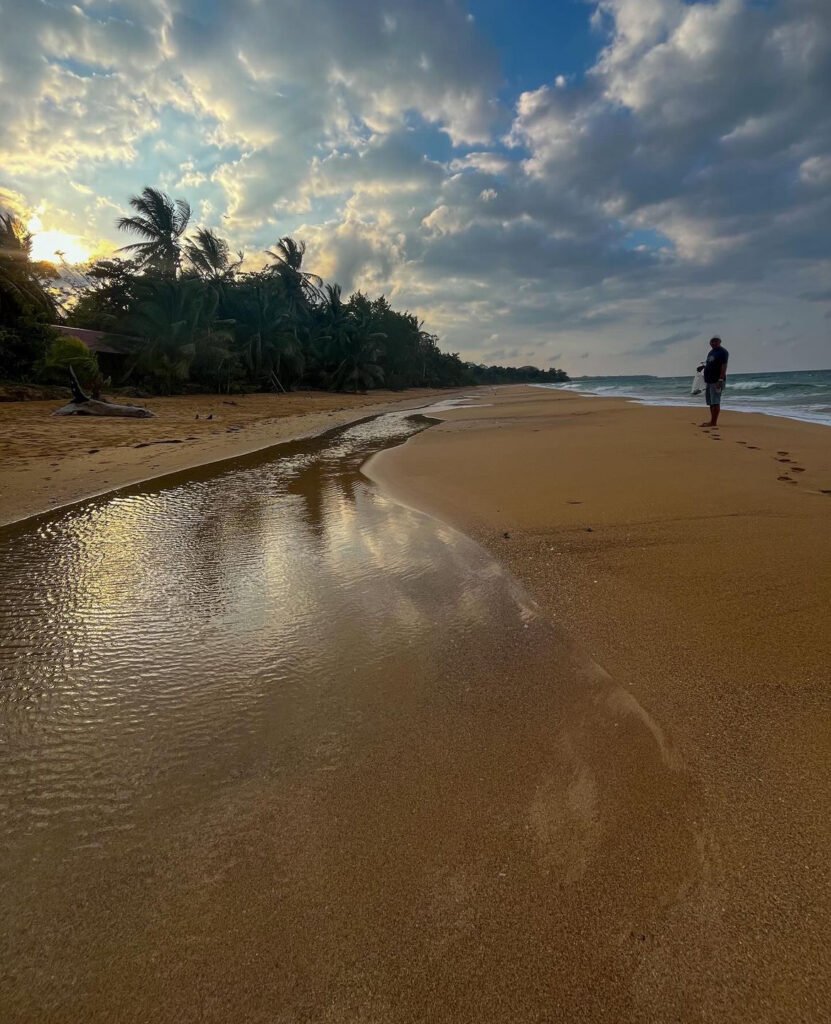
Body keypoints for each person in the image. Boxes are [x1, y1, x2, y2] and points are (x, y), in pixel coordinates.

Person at [700, 336, 729, 427]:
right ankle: (711, 420)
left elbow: (724, 366)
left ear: (719, 342)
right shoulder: (711, 352)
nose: (713, 343)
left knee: (715, 401)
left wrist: (720, 379)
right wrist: (703, 367)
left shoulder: (723, 352)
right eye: (712, 342)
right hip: (709, 380)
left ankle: (713, 422)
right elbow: (710, 364)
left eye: (715, 341)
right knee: (711, 402)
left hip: (716, 380)